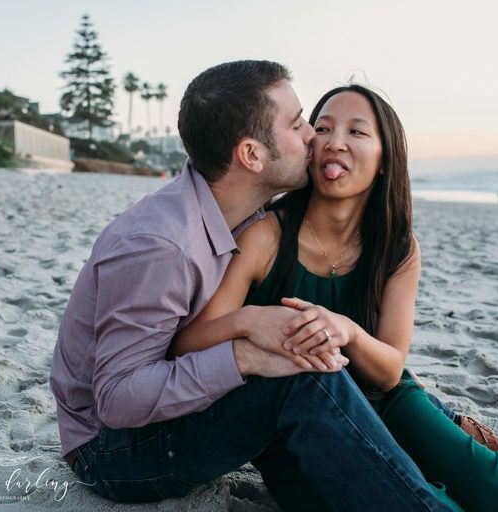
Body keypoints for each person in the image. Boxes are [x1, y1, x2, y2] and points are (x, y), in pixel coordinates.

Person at [172, 84, 498, 512]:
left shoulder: (396, 248)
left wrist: (347, 330)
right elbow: (189, 342)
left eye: (357, 132)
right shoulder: (266, 235)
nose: (334, 143)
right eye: (322, 128)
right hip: (301, 421)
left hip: (390, 404)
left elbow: (388, 369)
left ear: (385, 159)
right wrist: (251, 319)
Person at [49, 60, 463, 512]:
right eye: (297, 123)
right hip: (112, 452)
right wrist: (245, 352)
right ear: (251, 155)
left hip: (173, 414)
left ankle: (461, 450)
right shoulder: (159, 247)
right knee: (298, 377)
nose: (313, 136)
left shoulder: (243, 213)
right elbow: (116, 401)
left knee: (312, 350)